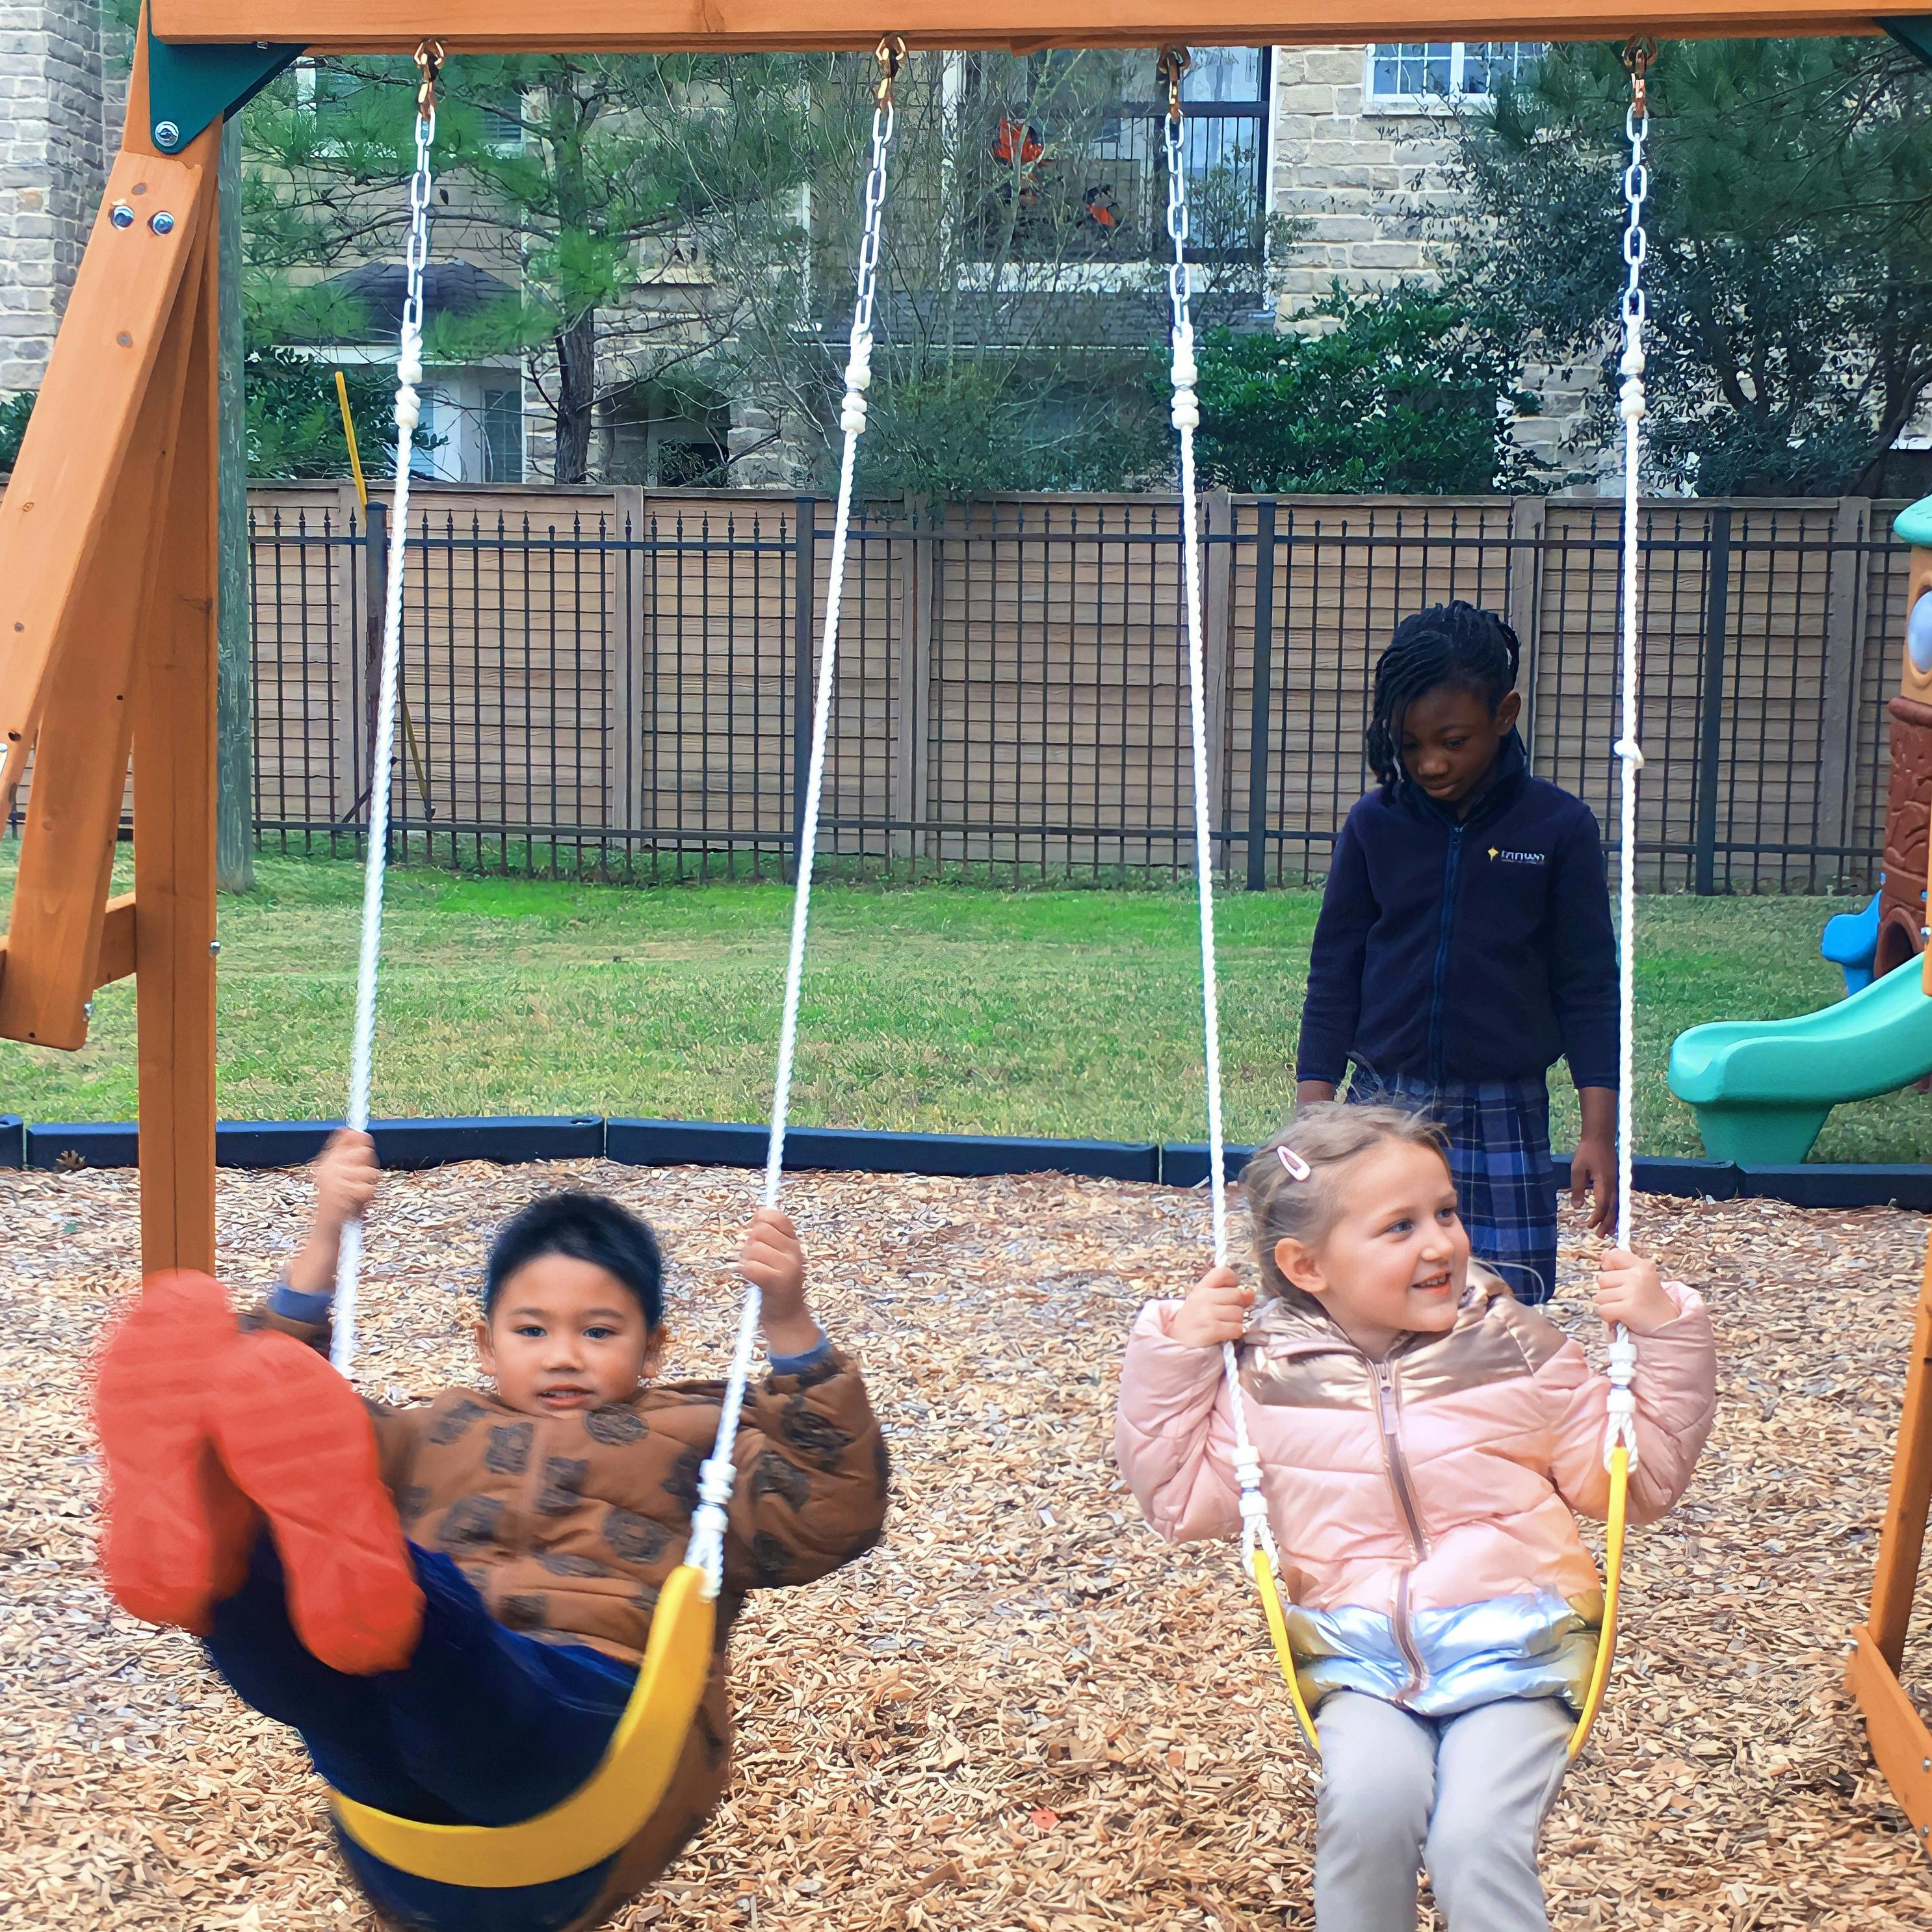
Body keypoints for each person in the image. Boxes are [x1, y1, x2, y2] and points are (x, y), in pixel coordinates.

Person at [94, 1131, 890, 1932]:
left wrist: (789, 1321)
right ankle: (222, 1562)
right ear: (486, 1342)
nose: (564, 1356)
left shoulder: (697, 1437)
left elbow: (830, 1507)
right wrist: (323, 1236)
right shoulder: (433, 1429)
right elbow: (270, 1408)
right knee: (318, 1658)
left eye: (601, 1331)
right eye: (532, 1329)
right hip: (391, 1778)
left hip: (584, 1723)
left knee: (428, 1637)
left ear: (654, 1347)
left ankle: (312, 1591)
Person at [1114, 1103, 1716, 1932]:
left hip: (1519, 1647)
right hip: (1363, 1662)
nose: (1439, 1242)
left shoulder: (1513, 1346)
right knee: (1363, 1810)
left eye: (1444, 1211)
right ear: (1306, 1263)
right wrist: (1175, 1351)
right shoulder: (1264, 1377)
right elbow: (1180, 1500)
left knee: (1473, 1839)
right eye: (1398, 1226)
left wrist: (1666, 1333)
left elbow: (1632, 1486)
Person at [1296, 600, 1619, 1305]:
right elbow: (1334, 970)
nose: (1430, 763)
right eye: (1409, 745)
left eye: (1452, 739)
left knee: (1502, 1306)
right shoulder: (1373, 825)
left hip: (1502, 1105)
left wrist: (1598, 1131)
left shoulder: (1557, 827)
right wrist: (1313, 1108)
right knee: (1372, 1296)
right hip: (1383, 1100)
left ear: (1503, 715)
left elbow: (1588, 984)